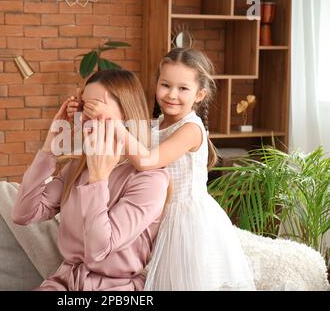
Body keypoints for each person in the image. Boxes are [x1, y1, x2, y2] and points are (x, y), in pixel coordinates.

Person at [77, 48, 256, 291]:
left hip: (184, 219)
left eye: (183, 88)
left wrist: (115, 122)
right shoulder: (153, 124)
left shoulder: (191, 129)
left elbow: (147, 161)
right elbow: (120, 150)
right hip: (153, 211)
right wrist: (81, 115)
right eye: (165, 85)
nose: (172, 94)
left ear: (200, 94)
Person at [12, 69, 170, 291]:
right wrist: (50, 147)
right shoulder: (76, 169)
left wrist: (99, 178)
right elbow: (23, 213)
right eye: (84, 106)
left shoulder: (150, 180)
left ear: (124, 114)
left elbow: (100, 249)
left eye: (95, 106)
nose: (86, 115)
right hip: (63, 284)